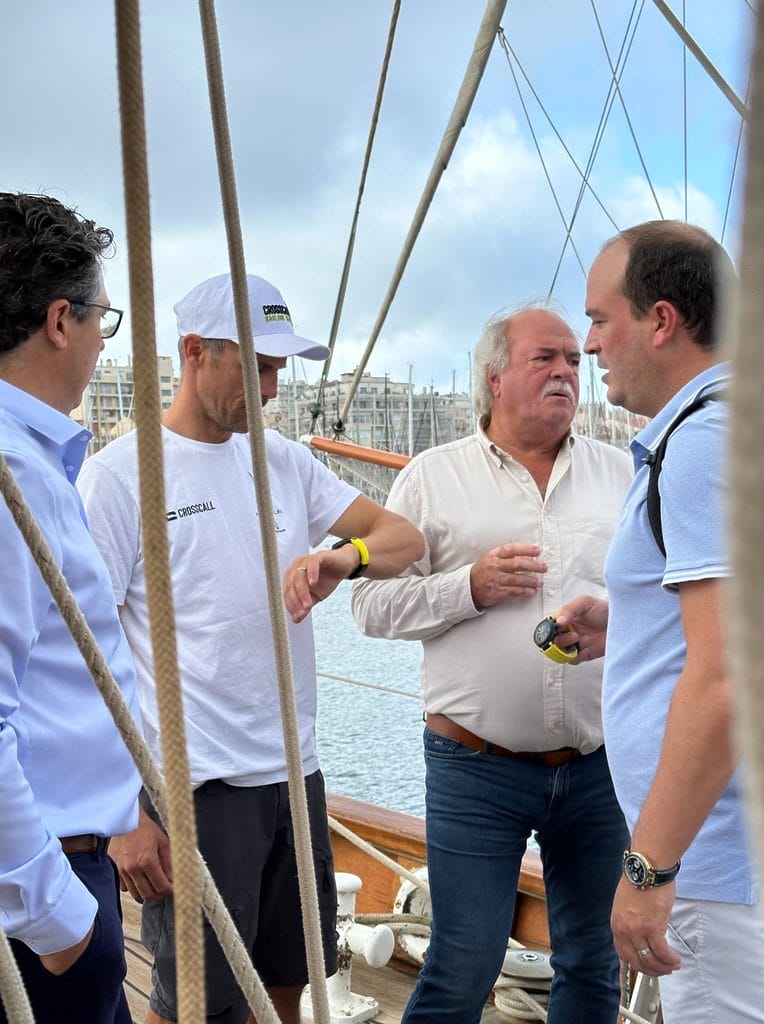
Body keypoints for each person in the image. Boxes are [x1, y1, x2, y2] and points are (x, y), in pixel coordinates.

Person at [77, 271, 424, 1024]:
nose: (272, 391)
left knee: (287, 988)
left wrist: (343, 558)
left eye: (280, 370)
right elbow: (84, 660)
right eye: (259, 367)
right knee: (195, 1005)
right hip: (197, 792)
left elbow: (404, 538)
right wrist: (125, 819)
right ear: (195, 351)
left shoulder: (285, 463)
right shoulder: (118, 480)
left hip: (296, 780)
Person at [351, 304, 634, 1023]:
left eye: (575, 359)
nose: (568, 372)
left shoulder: (622, 475)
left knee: (594, 964)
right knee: (463, 965)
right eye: (546, 359)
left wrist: (615, 621)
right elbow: (370, 610)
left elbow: (663, 609)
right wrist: (468, 588)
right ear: (494, 377)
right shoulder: (431, 479)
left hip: (598, 764)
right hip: (475, 767)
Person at [553, 220, 764, 1023]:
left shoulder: (704, 441)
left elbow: (727, 678)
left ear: (662, 320)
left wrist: (650, 868)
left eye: (601, 319)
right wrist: (636, 619)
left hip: (716, 866)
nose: (591, 343)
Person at [0, 192, 141, 1023]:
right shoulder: (13, 478)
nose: (99, 339)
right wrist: (61, 926)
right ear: (61, 320)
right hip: (41, 904)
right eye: (102, 318)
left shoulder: (35, 465)